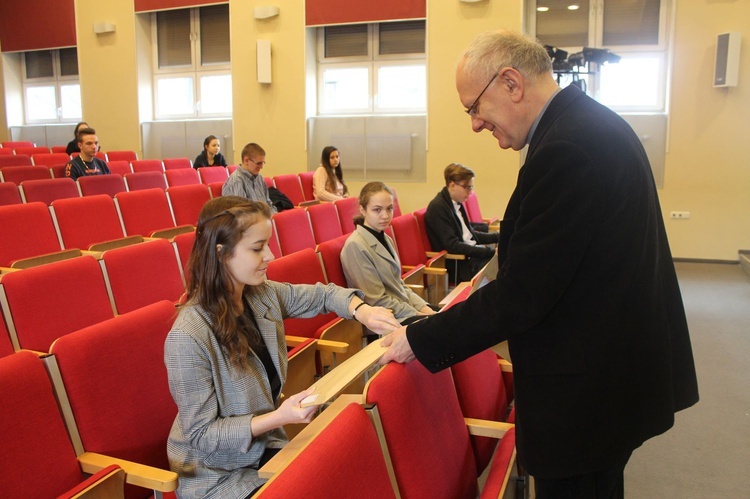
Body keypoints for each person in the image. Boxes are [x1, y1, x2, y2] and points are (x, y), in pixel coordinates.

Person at [380, 30, 699, 498]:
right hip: (610, 374)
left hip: (584, 394)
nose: (474, 124)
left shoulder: (567, 148)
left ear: (511, 83)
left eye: (474, 107)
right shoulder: (591, 124)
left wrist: (419, 337)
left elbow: (524, 293)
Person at [165, 197, 400, 498]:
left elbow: (322, 296)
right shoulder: (187, 334)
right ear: (221, 253)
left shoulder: (259, 295)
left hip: (262, 448)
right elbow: (202, 436)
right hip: (217, 475)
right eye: (257, 248)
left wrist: (361, 310)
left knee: (340, 475)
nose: (270, 255)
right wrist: (279, 417)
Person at [340, 181, 437, 324]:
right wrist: (418, 314)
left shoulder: (385, 237)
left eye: (389, 209)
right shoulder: (355, 246)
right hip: (384, 318)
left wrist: (425, 308)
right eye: (377, 210)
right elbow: (375, 299)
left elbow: (399, 285)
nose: (385, 216)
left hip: (401, 309)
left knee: (446, 315)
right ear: (363, 210)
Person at [424, 163, 500, 283]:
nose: (470, 192)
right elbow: (453, 245)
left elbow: (470, 235)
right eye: (467, 187)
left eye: (471, 187)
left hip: (470, 257)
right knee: (503, 265)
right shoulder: (438, 207)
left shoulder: (456, 202)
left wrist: (498, 237)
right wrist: (489, 251)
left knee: (506, 260)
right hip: (460, 264)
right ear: (452, 185)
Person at [222, 142, 277, 212]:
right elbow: (242, 213)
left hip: (263, 219)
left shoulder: (259, 178)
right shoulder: (236, 181)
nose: (261, 167)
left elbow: (268, 203)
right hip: (250, 221)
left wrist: (274, 216)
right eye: (259, 163)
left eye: (263, 163)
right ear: (246, 160)